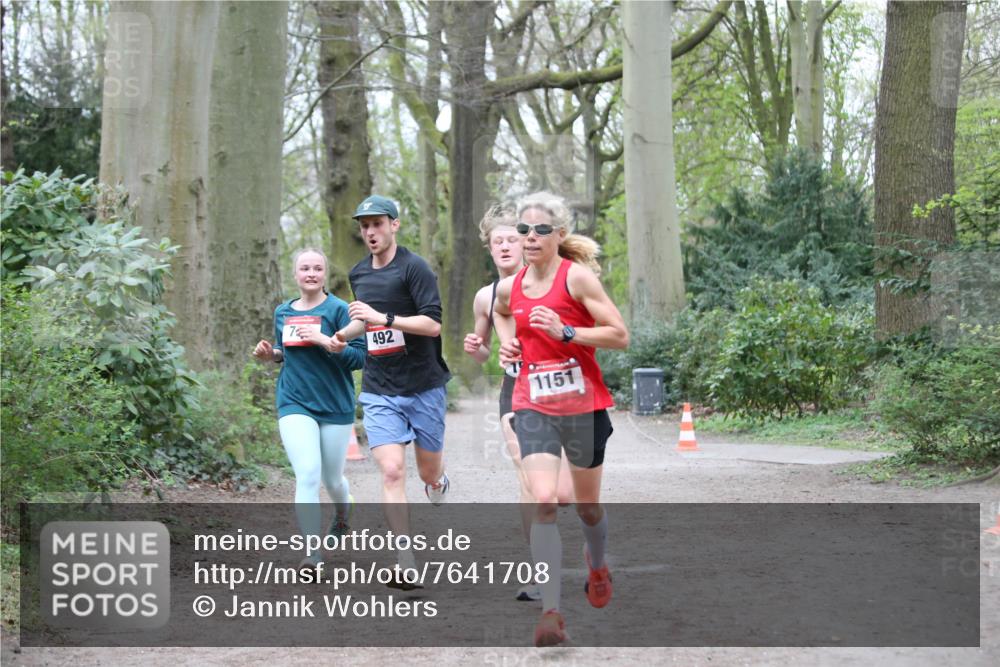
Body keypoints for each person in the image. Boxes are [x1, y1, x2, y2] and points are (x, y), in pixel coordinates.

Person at [493, 191, 629, 647]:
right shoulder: (511, 287)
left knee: (587, 507)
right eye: (523, 230)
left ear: (560, 235)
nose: (529, 238)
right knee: (546, 501)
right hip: (533, 403)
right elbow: (501, 313)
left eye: (540, 230)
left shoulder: (579, 280)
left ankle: (597, 564)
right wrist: (509, 345)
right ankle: (550, 614)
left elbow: (619, 335)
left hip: (583, 405)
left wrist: (568, 332)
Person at [330, 194, 451, 589]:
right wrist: (341, 336)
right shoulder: (359, 274)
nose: (370, 232)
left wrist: (386, 318)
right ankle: (406, 560)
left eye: (377, 224)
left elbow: (433, 325)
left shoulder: (415, 269)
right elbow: (365, 324)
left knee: (428, 471)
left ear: (394, 225)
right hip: (380, 387)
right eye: (364, 226)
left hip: (423, 385)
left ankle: (438, 483)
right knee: (393, 470)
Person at [462, 204, 574, 603]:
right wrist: (476, 348)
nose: (506, 246)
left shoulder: (550, 282)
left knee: (563, 494)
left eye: (512, 238)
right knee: (530, 484)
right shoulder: (485, 297)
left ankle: (588, 546)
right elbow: (481, 352)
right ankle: (541, 572)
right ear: (490, 249)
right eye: (498, 241)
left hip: (560, 388)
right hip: (516, 394)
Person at [252, 248, 366, 570]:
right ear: (295, 274)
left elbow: (358, 359)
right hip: (294, 401)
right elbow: (285, 352)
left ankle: (344, 513)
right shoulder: (283, 312)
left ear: (325, 274)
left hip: (334, 404)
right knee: (307, 473)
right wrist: (270, 354)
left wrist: (325, 340)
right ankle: (312, 554)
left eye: (317, 268)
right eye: (305, 268)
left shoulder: (340, 310)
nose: (311, 273)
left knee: (332, 480)